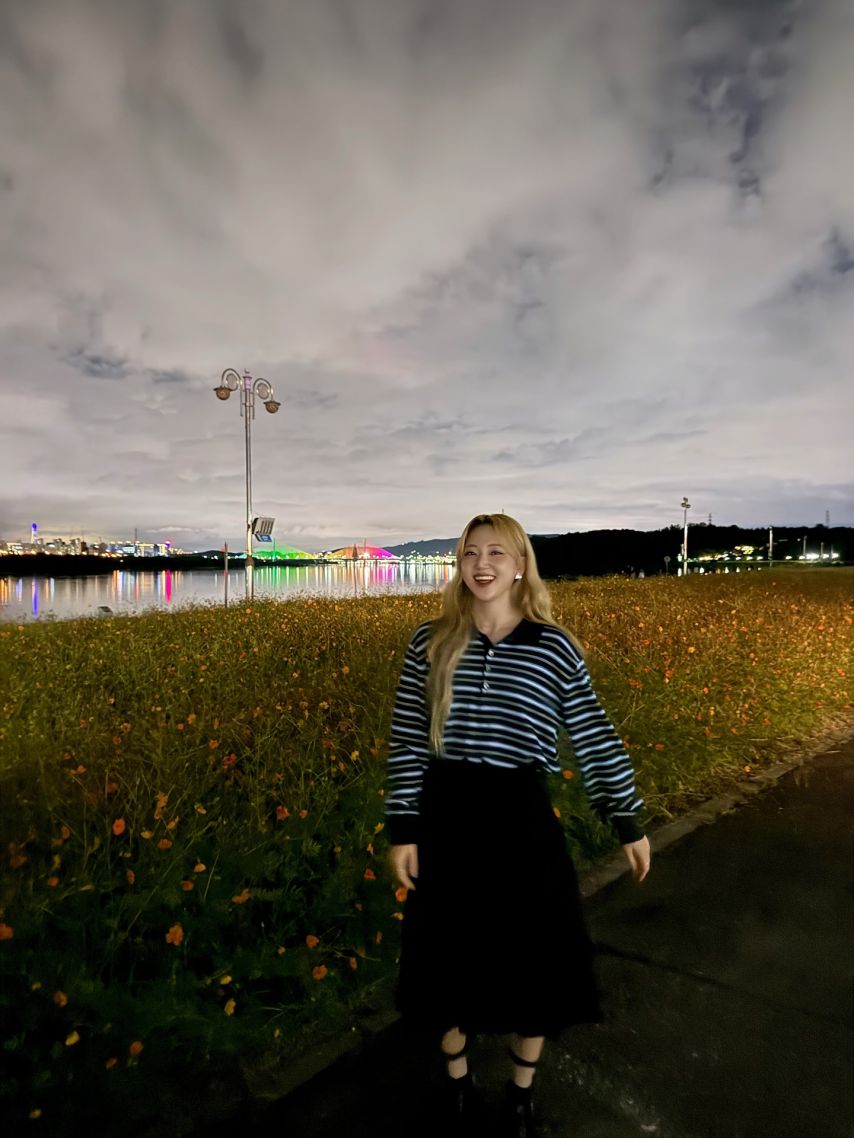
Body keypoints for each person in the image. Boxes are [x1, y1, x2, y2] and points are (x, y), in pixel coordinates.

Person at [385, 513, 651, 1137]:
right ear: (459, 564)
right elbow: (407, 740)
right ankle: (457, 1086)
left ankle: (520, 1093)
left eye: (496, 553)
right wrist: (403, 828)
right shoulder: (430, 641)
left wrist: (627, 818)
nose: (482, 564)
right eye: (470, 553)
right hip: (446, 817)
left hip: (520, 818)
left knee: (539, 960)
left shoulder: (553, 646)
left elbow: (593, 733)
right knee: (444, 962)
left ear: (520, 564)